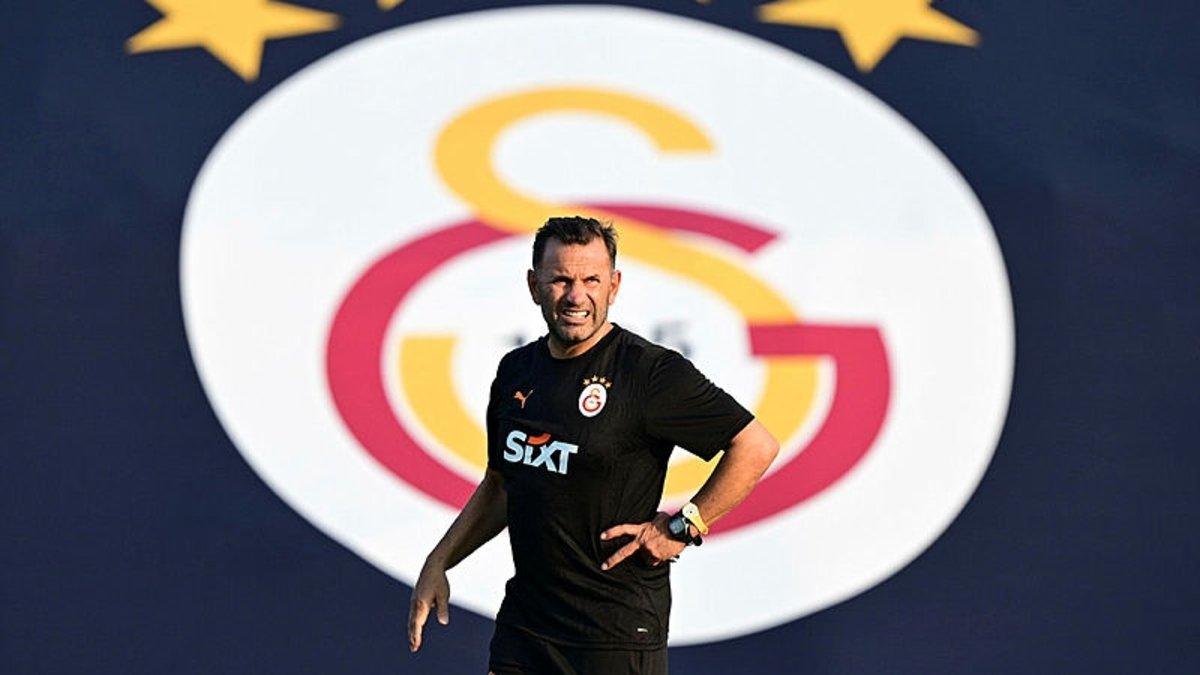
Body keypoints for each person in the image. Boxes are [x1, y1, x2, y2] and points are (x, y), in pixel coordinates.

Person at [408, 216, 779, 674]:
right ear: (534, 286)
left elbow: (755, 446)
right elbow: (503, 484)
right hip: (526, 631)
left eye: (591, 281)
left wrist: (682, 527)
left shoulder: (650, 373)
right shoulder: (516, 371)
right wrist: (439, 561)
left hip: (614, 635)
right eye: (561, 280)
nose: (575, 296)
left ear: (614, 286)